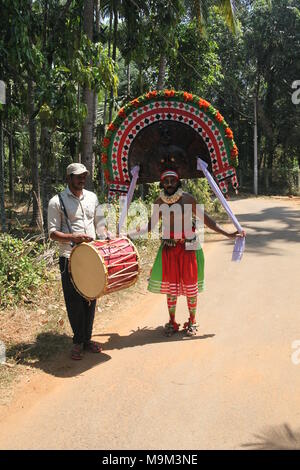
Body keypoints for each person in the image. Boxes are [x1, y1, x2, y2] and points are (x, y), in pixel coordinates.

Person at [130, 169, 245, 336]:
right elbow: (150, 227)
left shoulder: (188, 200)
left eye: (172, 180)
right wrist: (127, 233)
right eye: (166, 181)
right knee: (171, 289)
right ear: (161, 183)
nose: (169, 184)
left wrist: (228, 234)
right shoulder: (158, 203)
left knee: (191, 287)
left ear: (178, 181)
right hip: (169, 249)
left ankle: (192, 321)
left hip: (189, 248)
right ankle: (172, 321)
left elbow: (207, 220)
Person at [47, 163, 104, 360]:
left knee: (91, 298)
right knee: (74, 302)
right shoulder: (57, 201)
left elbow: (99, 223)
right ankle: (78, 341)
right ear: (68, 178)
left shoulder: (92, 197)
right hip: (69, 258)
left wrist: (106, 237)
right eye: (78, 176)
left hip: (93, 256)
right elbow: (53, 233)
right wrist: (73, 237)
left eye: (84, 176)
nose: (82, 179)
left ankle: (87, 339)